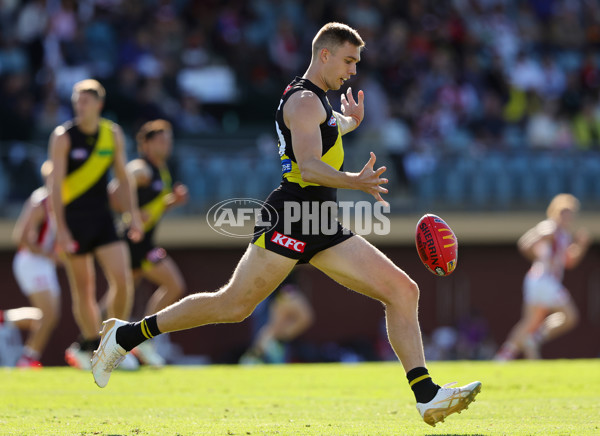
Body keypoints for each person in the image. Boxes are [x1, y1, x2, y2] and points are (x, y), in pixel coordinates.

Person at [92, 23, 481, 427]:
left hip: (320, 220)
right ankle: (125, 336)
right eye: (348, 60)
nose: (352, 70)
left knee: (403, 290)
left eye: (357, 63)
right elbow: (309, 166)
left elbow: (319, 135)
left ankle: (426, 396)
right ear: (324, 54)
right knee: (233, 305)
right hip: (293, 216)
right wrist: (355, 181)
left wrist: (348, 123)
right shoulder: (304, 101)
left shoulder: (315, 102)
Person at [47, 79, 143, 370]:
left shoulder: (110, 134)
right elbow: (54, 186)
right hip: (74, 223)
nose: (80, 106)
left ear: (99, 104)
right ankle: (91, 345)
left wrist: (133, 214)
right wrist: (60, 229)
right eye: (77, 101)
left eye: (85, 101)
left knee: (123, 280)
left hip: (103, 219)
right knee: (84, 290)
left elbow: (124, 178)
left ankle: (113, 344)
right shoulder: (64, 136)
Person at [108, 120, 188, 367]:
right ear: (146, 143)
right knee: (170, 284)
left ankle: (108, 342)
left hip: (143, 243)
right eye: (161, 140)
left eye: (169, 140)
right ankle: (129, 341)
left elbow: (150, 207)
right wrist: (132, 215)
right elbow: (115, 191)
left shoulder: (161, 170)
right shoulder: (141, 167)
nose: (167, 145)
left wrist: (171, 202)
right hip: (133, 242)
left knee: (122, 296)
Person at [495, 193, 591, 360]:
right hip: (544, 280)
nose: (567, 216)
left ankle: (503, 357)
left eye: (570, 212)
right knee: (570, 316)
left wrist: (581, 245)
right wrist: (540, 258)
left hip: (540, 280)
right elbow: (526, 243)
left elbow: (568, 261)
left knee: (530, 323)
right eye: (564, 211)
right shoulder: (551, 228)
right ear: (555, 211)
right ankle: (534, 340)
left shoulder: (563, 234)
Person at [11, 160, 60, 367]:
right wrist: (47, 254)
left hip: (44, 262)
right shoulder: (41, 201)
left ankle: (5, 320)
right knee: (48, 314)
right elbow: (21, 236)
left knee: (50, 316)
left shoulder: (63, 201)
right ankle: (28, 359)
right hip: (31, 260)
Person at [239, 282, 314, 364]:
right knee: (275, 326)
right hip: (282, 290)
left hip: (286, 290)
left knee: (277, 327)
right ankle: (254, 355)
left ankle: (265, 349)